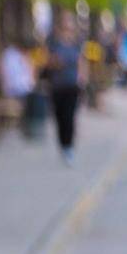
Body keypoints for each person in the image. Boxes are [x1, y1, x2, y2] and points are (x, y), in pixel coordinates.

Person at [46, 11, 87, 165]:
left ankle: (68, 147)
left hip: (72, 85)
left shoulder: (77, 42)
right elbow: (48, 61)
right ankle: (62, 144)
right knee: (59, 117)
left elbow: (82, 62)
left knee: (69, 116)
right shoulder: (53, 42)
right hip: (57, 84)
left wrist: (82, 78)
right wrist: (57, 62)